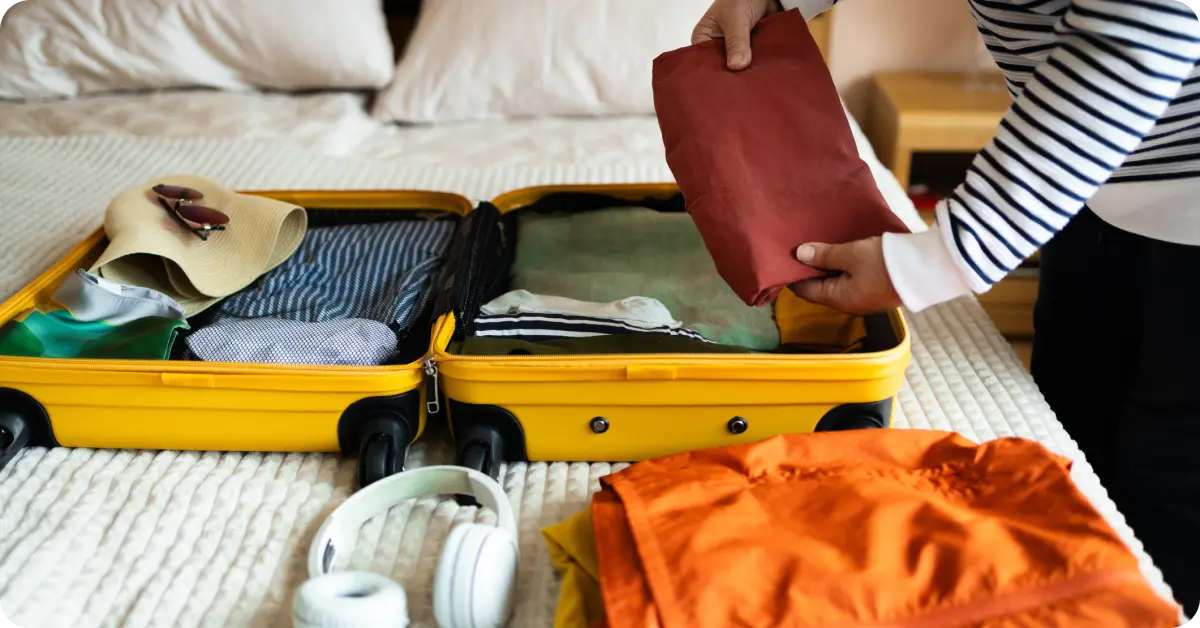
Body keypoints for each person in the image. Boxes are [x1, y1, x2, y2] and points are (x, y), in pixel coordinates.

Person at [691, 0, 1200, 615]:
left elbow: (1137, 35)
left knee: (1169, 500)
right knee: (1070, 458)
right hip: (1096, 186)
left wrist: (939, 259)